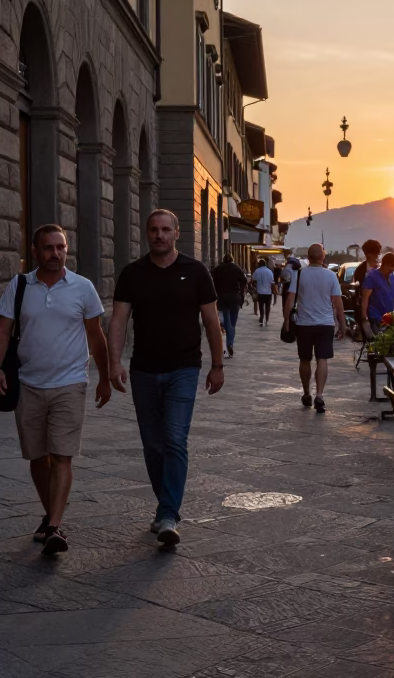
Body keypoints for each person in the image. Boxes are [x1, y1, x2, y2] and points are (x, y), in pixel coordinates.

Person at [0, 224, 109, 556]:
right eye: (48, 248)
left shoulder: (82, 287)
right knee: (37, 457)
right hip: (28, 383)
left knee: (62, 455)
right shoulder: (20, 285)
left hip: (70, 383)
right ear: (35, 252)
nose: (55, 254)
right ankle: (50, 516)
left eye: (61, 247)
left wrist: (105, 376)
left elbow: (96, 335)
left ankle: (54, 526)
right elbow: (2, 330)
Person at [108, 209, 226, 546]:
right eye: (153, 230)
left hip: (183, 369)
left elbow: (212, 321)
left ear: (176, 233)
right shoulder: (132, 273)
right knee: (153, 445)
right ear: (146, 234)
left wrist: (217, 365)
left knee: (175, 439)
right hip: (144, 369)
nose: (159, 235)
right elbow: (118, 321)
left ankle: (169, 514)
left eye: (165, 230)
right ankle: (167, 506)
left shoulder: (196, 271)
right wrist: (114, 363)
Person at [283, 243, 345, 412]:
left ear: (309, 257)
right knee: (322, 359)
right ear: (322, 257)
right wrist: (343, 324)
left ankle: (306, 393)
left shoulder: (300, 274)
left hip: (304, 325)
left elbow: (290, 299)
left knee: (304, 360)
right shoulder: (331, 276)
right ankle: (320, 395)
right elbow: (338, 303)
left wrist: (286, 320)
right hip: (325, 324)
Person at [360, 252, 394, 339]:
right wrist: (364, 318)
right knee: (381, 343)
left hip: (391, 318)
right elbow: (365, 298)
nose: (393, 270)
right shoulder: (371, 277)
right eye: (392, 267)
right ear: (386, 265)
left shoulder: (392, 276)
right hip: (377, 318)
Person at [211, 254, 247, 357]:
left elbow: (212, 282)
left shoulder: (217, 269)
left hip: (222, 297)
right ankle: (230, 343)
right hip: (235, 297)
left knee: (226, 321)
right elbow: (244, 281)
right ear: (232, 260)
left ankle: (227, 343)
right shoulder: (236, 268)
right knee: (232, 322)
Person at [251, 258, 275, 326]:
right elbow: (272, 282)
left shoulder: (257, 271)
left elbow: (254, 281)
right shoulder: (269, 271)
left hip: (260, 292)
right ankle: (267, 319)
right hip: (268, 292)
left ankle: (261, 317)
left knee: (261, 306)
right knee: (267, 306)